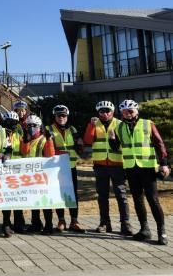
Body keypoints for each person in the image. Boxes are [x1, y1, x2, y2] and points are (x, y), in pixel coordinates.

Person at [109, 99, 169, 245]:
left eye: (130, 111)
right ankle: (144, 230)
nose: (128, 114)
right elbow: (116, 147)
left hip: (147, 168)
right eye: (125, 112)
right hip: (131, 168)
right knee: (137, 200)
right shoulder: (119, 127)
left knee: (153, 199)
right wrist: (112, 139)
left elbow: (159, 143)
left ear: (136, 111)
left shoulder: (147, 124)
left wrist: (164, 164)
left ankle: (162, 232)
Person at [83, 101, 132, 236]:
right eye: (102, 111)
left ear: (112, 111)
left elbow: (127, 143)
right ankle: (104, 223)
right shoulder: (94, 124)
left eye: (107, 111)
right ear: (98, 113)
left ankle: (125, 223)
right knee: (102, 196)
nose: (105, 114)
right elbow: (88, 141)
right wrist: (91, 126)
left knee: (121, 195)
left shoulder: (120, 124)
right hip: (100, 165)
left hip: (117, 164)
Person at [45, 104, 85, 233]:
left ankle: (74, 221)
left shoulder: (72, 129)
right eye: (59, 116)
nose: (61, 118)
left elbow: (80, 148)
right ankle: (61, 220)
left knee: (73, 194)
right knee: (58, 193)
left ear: (67, 117)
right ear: (54, 117)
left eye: (64, 115)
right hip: (56, 167)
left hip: (71, 166)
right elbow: (46, 148)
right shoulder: (48, 129)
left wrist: (80, 145)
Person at [21, 115, 55, 234]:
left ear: (39, 126)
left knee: (45, 202)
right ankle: (35, 223)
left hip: (43, 176)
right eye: (29, 125)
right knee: (33, 200)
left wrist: (49, 140)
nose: (32, 128)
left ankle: (49, 225)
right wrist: (25, 141)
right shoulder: (26, 139)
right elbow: (24, 153)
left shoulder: (44, 139)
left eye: (34, 125)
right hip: (30, 176)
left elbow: (50, 155)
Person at [0, 110, 25, 236]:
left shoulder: (19, 134)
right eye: (9, 122)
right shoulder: (2, 135)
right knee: (7, 198)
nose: (12, 124)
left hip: (18, 170)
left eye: (14, 122)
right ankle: (6, 223)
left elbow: (23, 150)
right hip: (5, 170)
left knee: (18, 197)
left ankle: (19, 222)